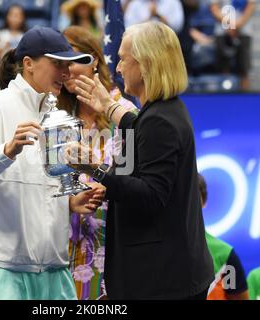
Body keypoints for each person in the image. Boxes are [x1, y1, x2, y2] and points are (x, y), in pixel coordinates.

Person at [0, 26, 105, 300]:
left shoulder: (58, 117)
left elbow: (42, 188)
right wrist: (5, 151)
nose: (67, 73)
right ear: (28, 64)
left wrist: (69, 203)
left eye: (68, 65)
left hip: (55, 276)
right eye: (58, 64)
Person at [66, 21, 214, 299]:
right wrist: (110, 108)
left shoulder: (160, 120)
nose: (118, 68)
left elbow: (150, 196)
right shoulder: (164, 111)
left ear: (145, 64)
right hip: (169, 274)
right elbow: (142, 133)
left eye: (123, 59)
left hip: (162, 282)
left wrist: (94, 170)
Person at [59, 25, 135, 300]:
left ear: (94, 60)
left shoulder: (124, 113)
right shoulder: (58, 116)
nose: (65, 69)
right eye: (60, 62)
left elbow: (132, 180)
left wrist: (100, 181)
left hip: (113, 243)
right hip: (65, 246)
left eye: (74, 59)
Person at [198, 174, 249, 300]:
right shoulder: (151, 251)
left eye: (192, 196)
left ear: (203, 201)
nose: (185, 203)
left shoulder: (225, 255)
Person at [210, 0, 256, 90]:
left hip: (244, 31)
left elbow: (251, 6)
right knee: (223, 70)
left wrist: (237, 25)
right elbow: (214, 8)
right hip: (222, 32)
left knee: (244, 70)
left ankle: (245, 100)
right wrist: (230, 24)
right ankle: (223, 100)